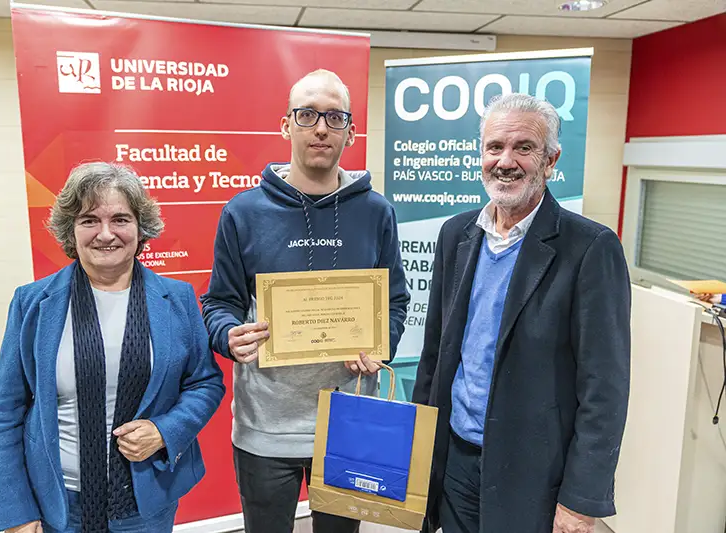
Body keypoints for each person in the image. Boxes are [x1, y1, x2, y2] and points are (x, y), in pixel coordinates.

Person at [200, 69, 410, 533]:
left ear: (350, 131)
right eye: (308, 114)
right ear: (286, 125)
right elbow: (218, 303)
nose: (320, 127)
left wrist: (380, 343)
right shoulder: (244, 212)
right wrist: (228, 336)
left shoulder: (377, 212)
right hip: (265, 428)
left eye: (335, 117)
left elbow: (395, 301)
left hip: (347, 421)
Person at [413, 93, 631, 533]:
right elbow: (435, 352)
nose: (505, 161)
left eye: (523, 148)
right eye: (494, 147)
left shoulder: (589, 248)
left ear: (550, 160)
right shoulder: (456, 234)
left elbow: (604, 389)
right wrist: (418, 455)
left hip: (534, 474)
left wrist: (580, 499)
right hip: (454, 459)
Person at [0, 162, 225, 533]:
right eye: (89, 220)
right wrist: (16, 510)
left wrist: (165, 430)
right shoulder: (33, 303)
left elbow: (205, 382)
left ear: (140, 227)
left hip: (146, 501)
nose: (105, 234)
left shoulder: (176, 299)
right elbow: (5, 412)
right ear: (71, 230)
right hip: (55, 501)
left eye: (120, 219)